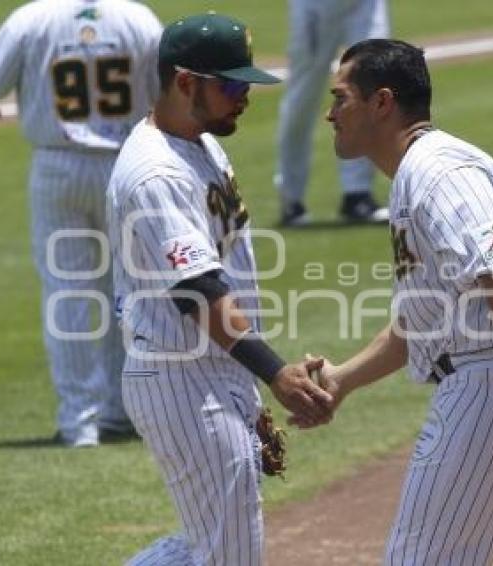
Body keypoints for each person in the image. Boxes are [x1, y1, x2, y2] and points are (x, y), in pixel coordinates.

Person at [302, 39, 493, 564]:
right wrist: (343, 379)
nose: (330, 113)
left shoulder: (437, 172)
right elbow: (423, 324)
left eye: (341, 97)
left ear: (382, 102)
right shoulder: (421, 174)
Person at [106, 13, 334, 564]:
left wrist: (245, 390)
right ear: (185, 82)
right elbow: (196, 291)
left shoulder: (201, 143)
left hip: (209, 371)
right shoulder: (156, 173)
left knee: (221, 548)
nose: (244, 96)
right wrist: (273, 373)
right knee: (227, 553)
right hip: (180, 378)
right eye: (232, 85)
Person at [0, 0, 162, 447]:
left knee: (67, 291)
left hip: (58, 168)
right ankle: (121, 410)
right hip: (126, 163)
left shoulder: (31, 17)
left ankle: (80, 423)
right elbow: (163, 90)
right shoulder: (137, 17)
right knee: (128, 288)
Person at [275, 0, 391, 226]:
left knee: (372, 84)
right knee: (303, 99)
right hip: (316, 6)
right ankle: (291, 197)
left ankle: (357, 194)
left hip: (366, 5)